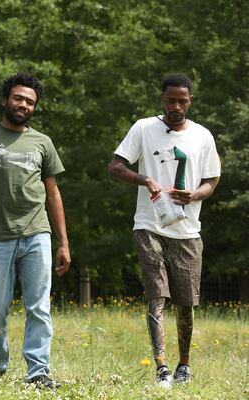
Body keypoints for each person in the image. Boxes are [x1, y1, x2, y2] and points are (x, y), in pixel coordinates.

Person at [107, 73, 220, 388]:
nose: (176, 106)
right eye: (171, 100)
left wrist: (195, 195)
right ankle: (162, 367)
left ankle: (184, 365)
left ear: (190, 101)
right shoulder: (144, 128)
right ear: (162, 99)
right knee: (157, 295)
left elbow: (212, 180)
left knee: (186, 303)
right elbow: (115, 166)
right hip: (149, 226)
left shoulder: (203, 136)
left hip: (187, 231)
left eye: (182, 100)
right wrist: (144, 179)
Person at [0, 72, 71, 389]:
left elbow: (53, 194)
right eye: (19, 98)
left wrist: (63, 243)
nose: (23, 105)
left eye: (30, 101)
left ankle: (38, 372)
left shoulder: (43, 143)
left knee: (39, 306)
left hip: (37, 233)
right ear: (5, 100)